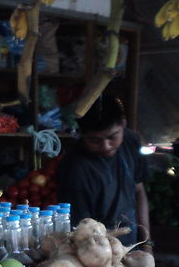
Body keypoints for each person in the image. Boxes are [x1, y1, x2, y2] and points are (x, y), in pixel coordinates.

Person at [57, 95, 150, 248]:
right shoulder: (74, 166)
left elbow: (139, 191)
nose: (106, 146)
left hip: (133, 245)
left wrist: (147, 243)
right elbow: (81, 230)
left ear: (123, 124)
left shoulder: (131, 141)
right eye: (94, 140)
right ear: (82, 135)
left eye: (113, 137)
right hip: (96, 250)